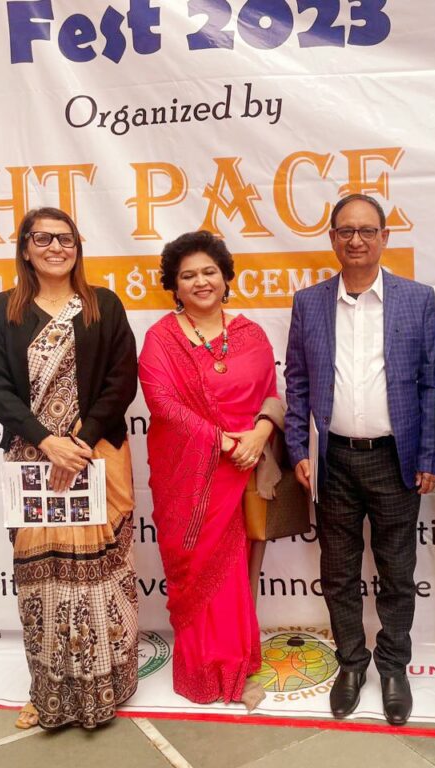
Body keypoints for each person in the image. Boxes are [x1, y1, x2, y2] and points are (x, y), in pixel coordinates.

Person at [284, 193, 435, 725]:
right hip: (332, 461)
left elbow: (430, 383)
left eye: (367, 230)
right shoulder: (309, 303)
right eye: (346, 231)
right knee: (338, 571)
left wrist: (430, 453)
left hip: (396, 459)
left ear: (384, 237)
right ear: (332, 238)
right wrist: (299, 448)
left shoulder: (417, 299)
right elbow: (297, 382)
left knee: (397, 571)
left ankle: (394, 667)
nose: (356, 240)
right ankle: (352, 665)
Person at [0, 206, 139, 730]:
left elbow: (122, 380)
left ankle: (108, 687)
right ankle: (47, 691)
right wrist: (48, 442)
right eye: (43, 238)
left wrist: (80, 442)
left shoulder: (102, 305)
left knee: (101, 577)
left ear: (78, 247)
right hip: (33, 462)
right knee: (41, 582)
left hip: (97, 456)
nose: (55, 248)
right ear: (25, 248)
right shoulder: (2, 310)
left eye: (65, 239)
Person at [139, 230, 279, 710]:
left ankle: (236, 665)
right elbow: (161, 402)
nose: (200, 282)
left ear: (225, 277)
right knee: (196, 571)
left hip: (244, 469)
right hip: (190, 477)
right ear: (174, 285)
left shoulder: (251, 334)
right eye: (188, 275)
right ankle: (201, 671)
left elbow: (271, 395)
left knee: (235, 571)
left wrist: (259, 435)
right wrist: (221, 441)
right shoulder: (161, 339)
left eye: (209, 272)